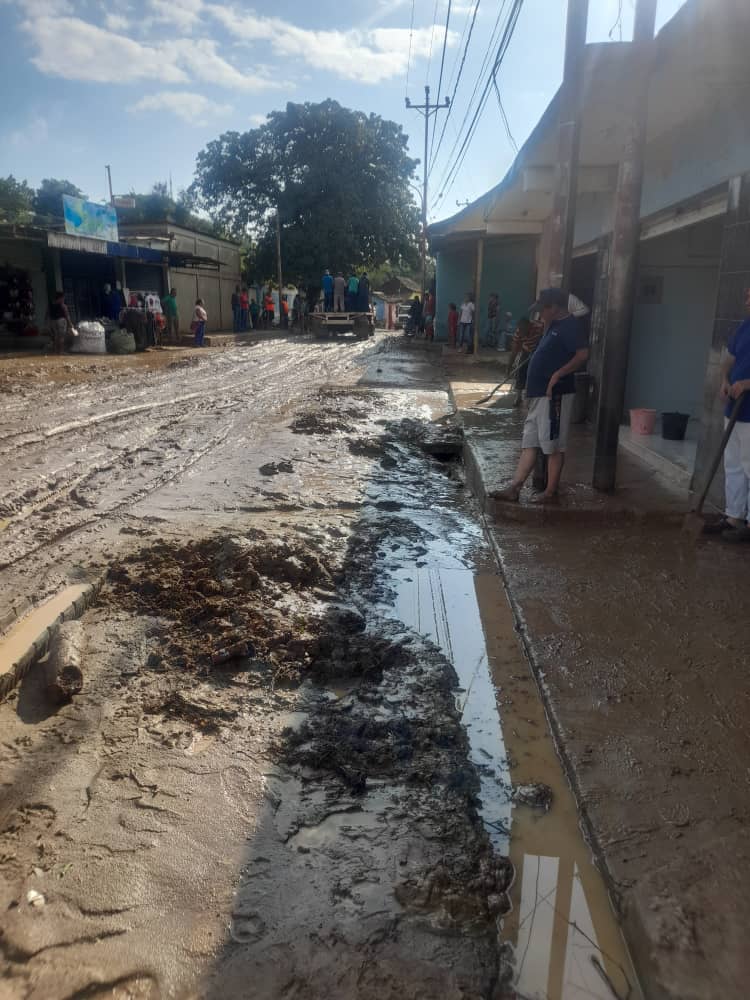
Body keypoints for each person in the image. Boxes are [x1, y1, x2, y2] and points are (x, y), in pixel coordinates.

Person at [492, 288, 589, 504]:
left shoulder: (571, 326)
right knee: (530, 442)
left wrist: (558, 374)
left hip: (554, 394)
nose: (538, 314)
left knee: (553, 445)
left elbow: (583, 354)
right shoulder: (552, 324)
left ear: (553, 308)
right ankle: (514, 488)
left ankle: (550, 492)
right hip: (537, 395)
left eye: (541, 310)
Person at [704, 287, 750, 542]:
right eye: (746, 296)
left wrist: (747, 383)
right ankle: (734, 517)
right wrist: (724, 379)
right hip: (735, 408)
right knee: (733, 465)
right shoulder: (745, 326)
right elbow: (729, 359)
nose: (747, 301)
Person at [508, 315, 544, 405]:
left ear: (529, 326)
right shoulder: (518, 333)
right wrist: (509, 367)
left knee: (535, 373)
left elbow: (546, 337)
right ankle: (519, 397)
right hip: (526, 350)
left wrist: (538, 350)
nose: (521, 333)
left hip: (539, 350)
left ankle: (532, 397)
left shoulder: (539, 327)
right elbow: (514, 351)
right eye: (520, 330)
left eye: (523, 331)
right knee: (520, 370)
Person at [47, 290, 71, 355]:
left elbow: (48, 313)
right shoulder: (62, 305)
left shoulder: (51, 304)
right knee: (61, 337)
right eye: (63, 297)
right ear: (60, 297)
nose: (64, 299)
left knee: (55, 336)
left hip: (53, 321)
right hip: (61, 321)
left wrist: (47, 322)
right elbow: (67, 315)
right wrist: (70, 324)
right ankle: (61, 351)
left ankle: (55, 351)